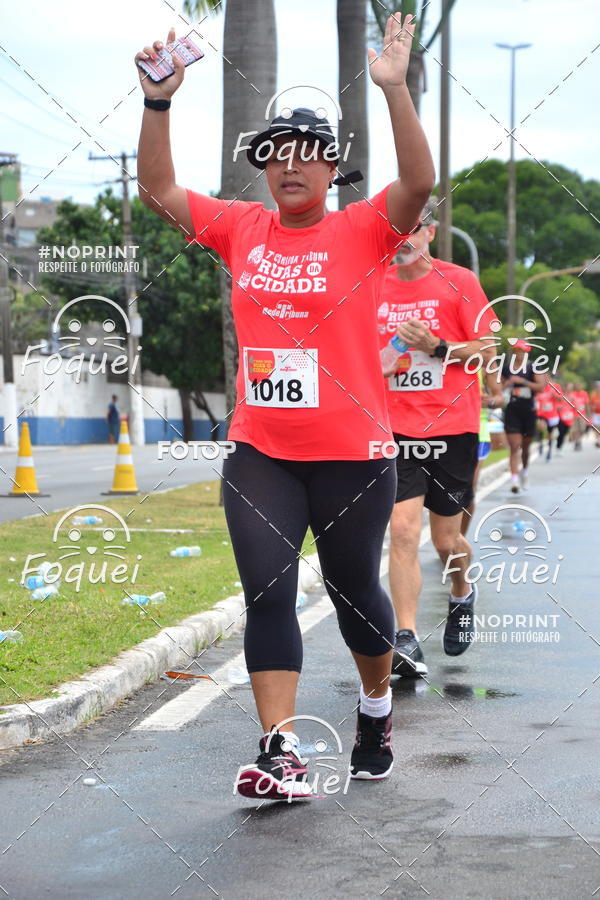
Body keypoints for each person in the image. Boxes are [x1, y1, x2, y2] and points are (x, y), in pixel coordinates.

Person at [136, 16, 435, 797]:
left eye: (308, 152)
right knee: (266, 590)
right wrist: (158, 104)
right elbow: (160, 191)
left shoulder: (364, 231)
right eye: (277, 154)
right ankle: (279, 750)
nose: (291, 165)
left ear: (333, 168)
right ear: (264, 169)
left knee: (353, 592)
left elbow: (420, 183)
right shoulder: (241, 231)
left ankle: (374, 707)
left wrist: (395, 89)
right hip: (262, 452)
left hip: (355, 458)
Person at [378, 200, 496, 677]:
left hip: (452, 428)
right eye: (393, 232)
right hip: (394, 428)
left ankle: (462, 592)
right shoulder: (372, 285)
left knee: (447, 542)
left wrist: (437, 347)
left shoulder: (460, 281)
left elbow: (486, 353)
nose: (401, 240)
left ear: (429, 232)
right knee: (402, 530)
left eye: (411, 231)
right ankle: (405, 638)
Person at [461, 370, 504, 536]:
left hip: (477, 433)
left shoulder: (484, 363)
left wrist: (491, 401)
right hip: (442, 432)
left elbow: (500, 397)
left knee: (467, 490)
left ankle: (459, 539)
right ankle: (447, 536)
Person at [501, 340, 545, 492]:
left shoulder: (533, 367)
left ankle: (524, 471)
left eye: (522, 351)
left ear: (527, 352)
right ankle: (514, 481)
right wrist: (507, 384)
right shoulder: (506, 368)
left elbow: (541, 386)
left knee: (525, 447)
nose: (519, 353)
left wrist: (523, 381)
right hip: (512, 410)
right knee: (514, 446)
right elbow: (498, 387)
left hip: (528, 411)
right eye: (516, 350)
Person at [536, 376, 560, 461]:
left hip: (552, 415)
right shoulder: (538, 387)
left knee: (550, 434)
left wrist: (555, 395)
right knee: (541, 428)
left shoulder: (555, 387)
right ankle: (540, 444)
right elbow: (535, 399)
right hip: (542, 413)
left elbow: (560, 398)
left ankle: (549, 451)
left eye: (547, 378)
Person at [555, 383, 575, 454]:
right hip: (560, 417)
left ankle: (559, 445)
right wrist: (559, 407)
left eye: (571, 387)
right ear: (565, 388)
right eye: (568, 387)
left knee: (564, 433)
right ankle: (558, 447)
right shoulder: (561, 395)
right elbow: (556, 404)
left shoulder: (573, 397)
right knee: (561, 432)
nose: (569, 389)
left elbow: (576, 407)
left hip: (569, 418)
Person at [571, 381, 590, 449]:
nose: (577, 387)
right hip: (574, 415)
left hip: (582, 415)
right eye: (576, 386)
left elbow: (586, 404)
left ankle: (579, 440)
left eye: (579, 386)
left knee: (582, 429)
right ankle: (577, 442)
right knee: (575, 430)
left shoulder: (584, 393)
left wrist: (588, 415)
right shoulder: (572, 394)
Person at [590, 381, 600, 447]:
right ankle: (597, 440)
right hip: (595, 414)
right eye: (596, 387)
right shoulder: (593, 395)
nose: (598, 388)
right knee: (596, 427)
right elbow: (590, 404)